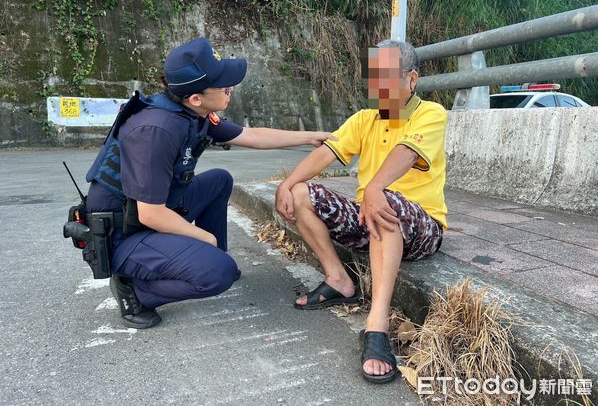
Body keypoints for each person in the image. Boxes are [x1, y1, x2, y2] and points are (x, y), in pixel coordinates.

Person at [84, 37, 334, 329]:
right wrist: (205, 238)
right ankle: (136, 291)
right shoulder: (156, 130)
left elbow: (250, 136)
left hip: (151, 214)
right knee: (218, 274)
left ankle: (206, 258)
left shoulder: (191, 113)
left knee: (219, 180)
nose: (230, 88)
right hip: (124, 235)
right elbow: (149, 213)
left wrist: (311, 136)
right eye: (223, 84)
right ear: (196, 97)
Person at [274, 41, 447, 384]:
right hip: (369, 216)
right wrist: (286, 182)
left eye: (386, 79)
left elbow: (406, 153)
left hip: (420, 225)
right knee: (299, 193)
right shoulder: (364, 119)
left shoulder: (431, 113)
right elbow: (326, 155)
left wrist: (373, 188)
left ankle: (377, 325)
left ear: (411, 80)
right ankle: (338, 279)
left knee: (386, 200)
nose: (377, 88)